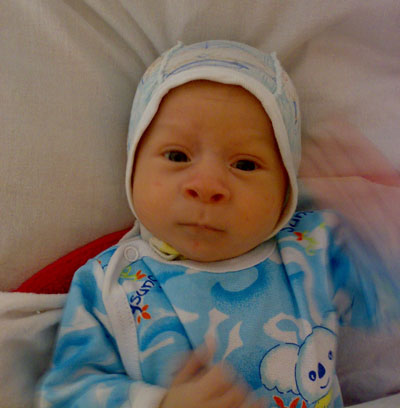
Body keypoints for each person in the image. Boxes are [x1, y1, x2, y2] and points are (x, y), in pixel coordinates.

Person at [36, 40, 399, 408]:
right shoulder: (109, 283)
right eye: (177, 156)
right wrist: (160, 403)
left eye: (244, 165)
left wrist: (376, 231)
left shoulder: (314, 247)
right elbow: (65, 393)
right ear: (132, 167)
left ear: (286, 188)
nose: (207, 185)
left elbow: (387, 309)